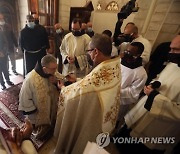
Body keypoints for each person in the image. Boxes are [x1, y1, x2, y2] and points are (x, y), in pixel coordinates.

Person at [53, 34, 121, 154]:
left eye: (89, 51)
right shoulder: (114, 66)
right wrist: (78, 80)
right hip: (106, 119)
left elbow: (81, 90)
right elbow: (93, 83)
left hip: (94, 120)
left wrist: (63, 88)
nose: (88, 55)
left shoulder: (98, 75)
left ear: (96, 52)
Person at [116, 34, 180, 154]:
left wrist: (154, 97)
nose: (170, 52)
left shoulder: (140, 73)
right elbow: (159, 79)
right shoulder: (172, 65)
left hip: (159, 126)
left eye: (175, 49)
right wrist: (152, 85)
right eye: (170, 48)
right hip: (142, 112)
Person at [18, 54, 60, 139]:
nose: (55, 71)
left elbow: (61, 80)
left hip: (51, 107)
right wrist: (33, 113)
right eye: (53, 69)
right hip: (37, 113)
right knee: (40, 132)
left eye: (56, 68)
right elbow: (24, 98)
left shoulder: (52, 72)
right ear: (44, 69)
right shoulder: (30, 79)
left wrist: (56, 82)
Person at [118, 42, 147, 125]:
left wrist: (115, 91)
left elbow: (133, 93)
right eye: (126, 51)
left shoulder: (141, 73)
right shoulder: (119, 62)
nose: (126, 53)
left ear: (138, 55)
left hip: (120, 102)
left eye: (129, 53)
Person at [0, 13, 14, 90]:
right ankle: (2, 84)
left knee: (5, 68)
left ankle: (8, 80)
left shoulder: (1, 32)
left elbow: (5, 43)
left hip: (3, 54)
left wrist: (3, 52)